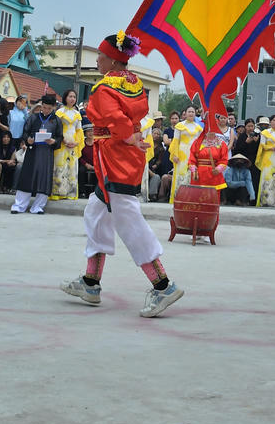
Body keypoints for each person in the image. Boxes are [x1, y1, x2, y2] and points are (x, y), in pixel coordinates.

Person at [60, 31, 184, 317]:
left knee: (127, 218)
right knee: (96, 213)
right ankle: (91, 282)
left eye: (101, 57)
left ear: (114, 60)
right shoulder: (135, 84)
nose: (98, 61)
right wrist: (129, 136)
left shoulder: (104, 89)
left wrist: (126, 136)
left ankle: (162, 284)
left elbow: (116, 120)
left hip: (115, 154)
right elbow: (132, 114)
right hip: (125, 154)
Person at [13, 95, 63, 214]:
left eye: (49, 108)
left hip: (46, 153)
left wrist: (54, 141)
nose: (46, 110)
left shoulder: (56, 120)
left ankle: (38, 207)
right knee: (27, 177)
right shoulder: (33, 118)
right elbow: (25, 132)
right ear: (41, 106)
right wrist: (28, 139)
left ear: (54, 108)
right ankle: (19, 205)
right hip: (33, 151)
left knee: (44, 178)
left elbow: (59, 137)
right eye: (44, 107)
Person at [52, 89, 85, 200]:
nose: (72, 99)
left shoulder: (77, 113)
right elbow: (56, 128)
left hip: (73, 143)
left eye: (74, 97)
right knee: (60, 166)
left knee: (72, 167)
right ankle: (58, 192)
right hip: (62, 143)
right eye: (70, 96)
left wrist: (76, 142)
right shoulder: (59, 112)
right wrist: (63, 140)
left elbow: (79, 130)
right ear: (65, 97)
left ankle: (70, 193)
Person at [168, 106, 203, 202]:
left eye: (192, 112)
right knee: (180, 174)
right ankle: (178, 198)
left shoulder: (199, 128)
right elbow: (175, 141)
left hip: (193, 154)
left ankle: (190, 199)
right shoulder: (179, 125)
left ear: (195, 113)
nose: (191, 113)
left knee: (191, 174)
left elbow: (200, 143)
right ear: (185, 113)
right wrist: (174, 154)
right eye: (189, 111)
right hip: (182, 153)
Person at [255, 115, 275, 208]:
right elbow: (262, 145)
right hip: (268, 158)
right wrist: (272, 147)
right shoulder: (265, 133)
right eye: (273, 120)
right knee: (267, 179)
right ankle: (265, 201)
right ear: (270, 122)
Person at [188, 119, 229, 192]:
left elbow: (224, 160)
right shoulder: (197, 142)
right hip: (199, 175)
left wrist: (218, 169)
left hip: (214, 174)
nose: (211, 129)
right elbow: (192, 159)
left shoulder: (221, 143)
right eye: (209, 126)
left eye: (213, 126)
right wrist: (194, 171)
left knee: (212, 198)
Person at [147, 128, 174, 201]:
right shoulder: (147, 144)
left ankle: (152, 195)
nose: (156, 135)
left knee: (156, 177)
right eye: (154, 133)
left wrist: (154, 166)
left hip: (153, 167)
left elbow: (159, 161)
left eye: (158, 134)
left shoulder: (160, 148)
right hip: (144, 165)